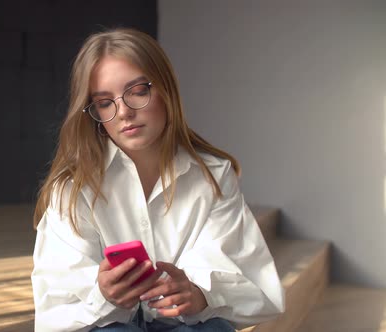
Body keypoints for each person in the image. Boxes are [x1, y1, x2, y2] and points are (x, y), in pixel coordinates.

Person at [31, 28, 285, 332]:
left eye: (138, 91)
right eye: (104, 102)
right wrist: (101, 293)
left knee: (213, 327)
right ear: (93, 112)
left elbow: (251, 283)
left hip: (188, 325)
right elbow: (54, 309)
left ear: (166, 90)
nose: (123, 112)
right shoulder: (72, 189)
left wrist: (200, 294)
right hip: (107, 325)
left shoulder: (213, 177)